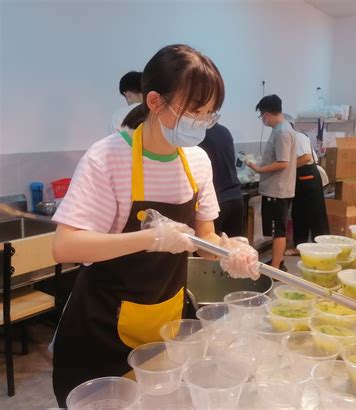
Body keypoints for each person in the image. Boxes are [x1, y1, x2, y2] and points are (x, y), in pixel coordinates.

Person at [51, 44, 259, 407]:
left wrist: (230, 253)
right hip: (102, 325)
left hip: (165, 319)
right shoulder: (106, 157)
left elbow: (204, 237)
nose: (202, 122)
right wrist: (150, 237)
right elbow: (66, 246)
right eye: (195, 110)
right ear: (154, 101)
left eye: (210, 113)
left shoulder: (197, 161)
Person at [247, 95, 296, 271]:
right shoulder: (282, 129)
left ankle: (276, 267)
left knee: (278, 231)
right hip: (278, 189)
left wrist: (259, 169)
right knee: (278, 230)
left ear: (266, 114)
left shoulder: (282, 131)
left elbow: (283, 163)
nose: (262, 120)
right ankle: (277, 262)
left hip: (278, 190)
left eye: (261, 116)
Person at [283, 114, 329, 255]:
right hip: (299, 179)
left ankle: (322, 247)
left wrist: (287, 166)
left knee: (316, 214)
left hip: (308, 177)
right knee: (299, 214)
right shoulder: (289, 138)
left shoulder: (299, 137)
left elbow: (306, 157)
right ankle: (299, 246)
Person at [199, 123, 244, 237]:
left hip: (216, 201)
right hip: (236, 197)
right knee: (235, 250)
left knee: (208, 250)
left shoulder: (200, 135)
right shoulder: (224, 131)